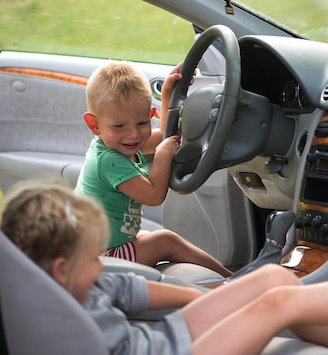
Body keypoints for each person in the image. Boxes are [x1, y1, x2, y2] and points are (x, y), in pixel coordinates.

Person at [0, 181, 328, 355]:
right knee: (278, 304)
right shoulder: (55, 329)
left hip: (170, 339)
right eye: (90, 259)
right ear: (59, 270)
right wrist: (234, 314)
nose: (100, 264)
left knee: (274, 278)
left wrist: (217, 303)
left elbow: (139, 295)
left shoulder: (82, 282)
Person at [74, 61, 232, 277]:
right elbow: (155, 195)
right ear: (94, 125)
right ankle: (230, 280)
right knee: (165, 241)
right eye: (120, 126)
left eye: (141, 123)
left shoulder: (119, 144)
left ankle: (229, 278)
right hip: (100, 258)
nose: (133, 135)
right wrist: (162, 155)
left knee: (156, 238)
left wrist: (168, 93)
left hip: (105, 247)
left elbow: (166, 136)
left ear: (150, 115)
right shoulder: (108, 160)